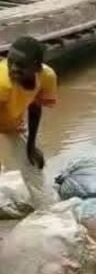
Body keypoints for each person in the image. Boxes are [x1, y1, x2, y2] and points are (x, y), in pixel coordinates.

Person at [0, 37, 57, 209]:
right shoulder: (2, 81)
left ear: (36, 67)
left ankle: (45, 213)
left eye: (21, 65)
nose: (14, 69)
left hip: (12, 123)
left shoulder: (47, 77)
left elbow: (35, 107)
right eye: (11, 63)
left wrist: (31, 146)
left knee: (33, 167)